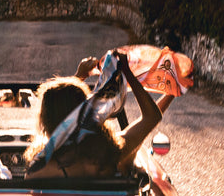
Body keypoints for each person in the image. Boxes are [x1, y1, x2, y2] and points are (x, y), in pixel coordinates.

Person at [23, 55, 177, 179]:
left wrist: (79, 77)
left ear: (46, 120)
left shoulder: (39, 169)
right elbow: (152, 117)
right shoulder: (110, 153)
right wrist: (126, 72)